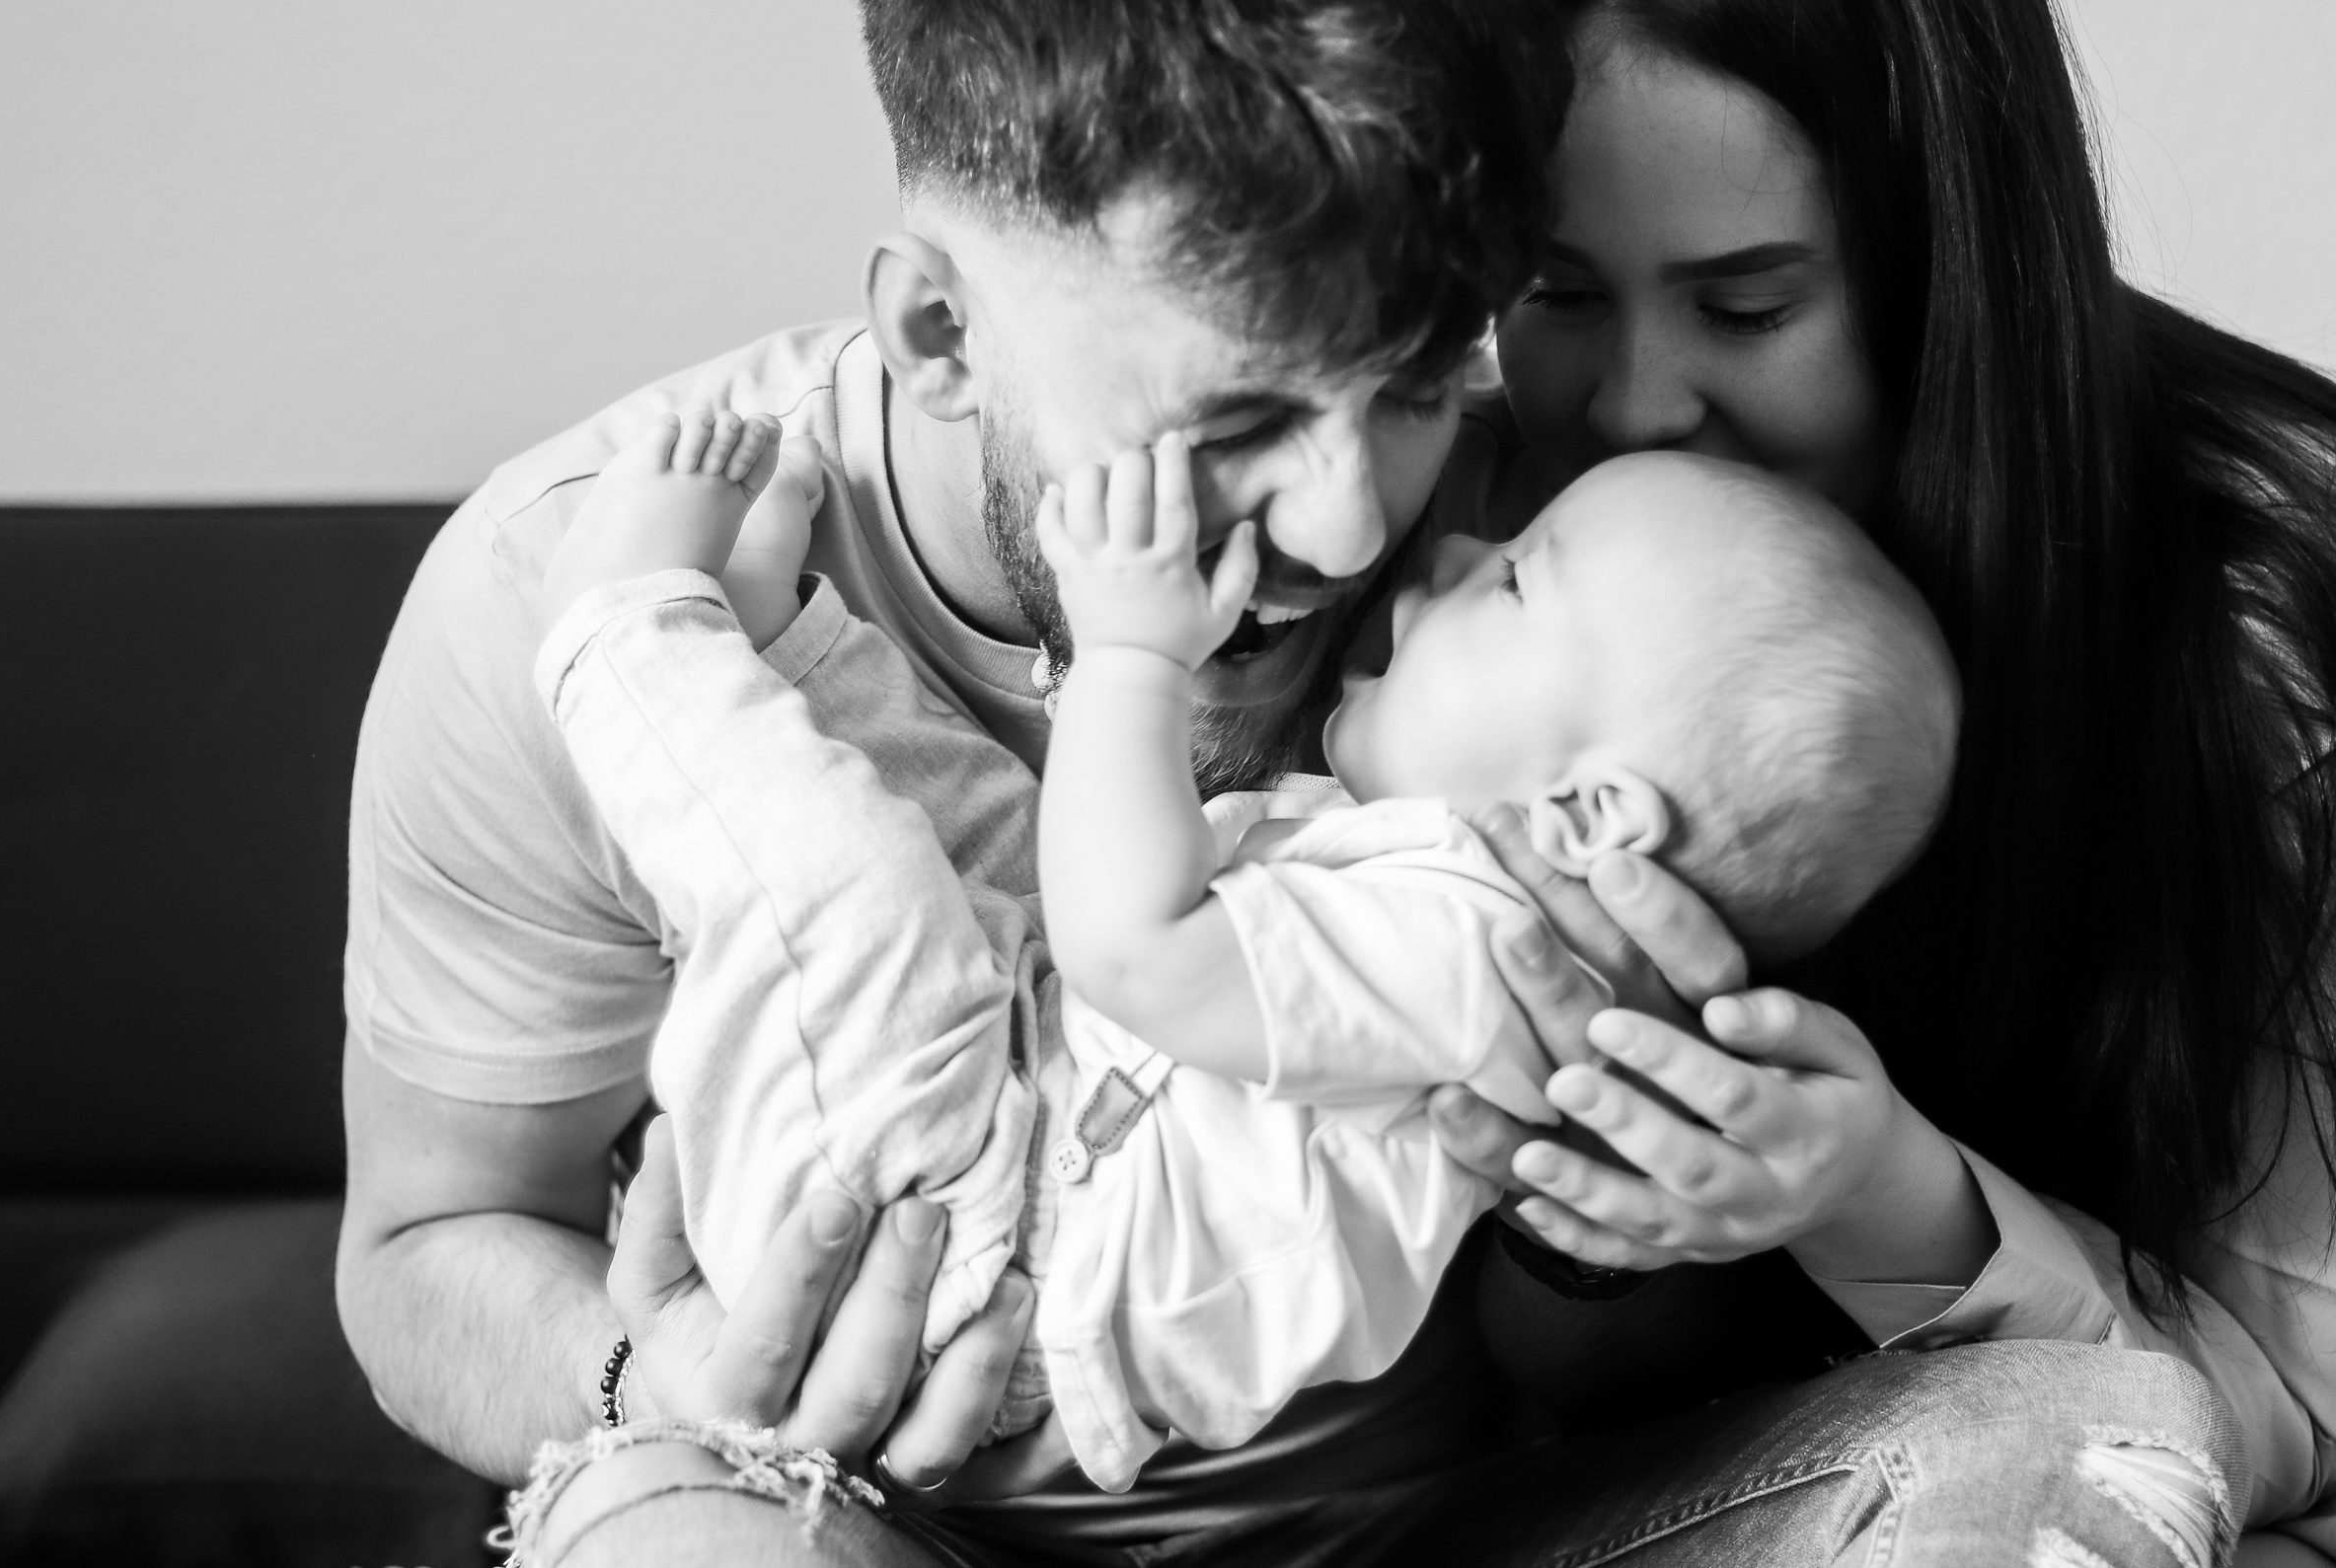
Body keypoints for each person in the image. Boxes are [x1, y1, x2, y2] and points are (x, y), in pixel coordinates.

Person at [336, 0, 1569, 1560]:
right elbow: (429, 1240)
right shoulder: (577, 601)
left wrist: (1610, 1211)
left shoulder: (1580, 572)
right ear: (937, 330)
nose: (1347, 531)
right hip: (847, 1514)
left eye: (1415, 386)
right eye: (1240, 424)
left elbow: (1661, 1343)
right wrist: (650, 1376)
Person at [518, 396, 1958, 1495]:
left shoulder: (1476, 938)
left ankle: (626, 640)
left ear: (1586, 812)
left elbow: (1134, 947)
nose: (1449, 544)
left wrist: (1131, 656)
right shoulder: (1437, 880)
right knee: (985, 852)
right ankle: (794, 640)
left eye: (1515, 580)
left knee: (855, 898)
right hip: (1029, 1136)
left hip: (994, 1240)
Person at [1403, 0, 2336, 1560]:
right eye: (1553, 293)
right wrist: (1610, 1217)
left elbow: (2280, 1427)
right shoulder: (1463, 536)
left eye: (1747, 306)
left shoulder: (2252, 632)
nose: (1630, 409)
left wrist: (1879, 1197)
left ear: (1941, 277)